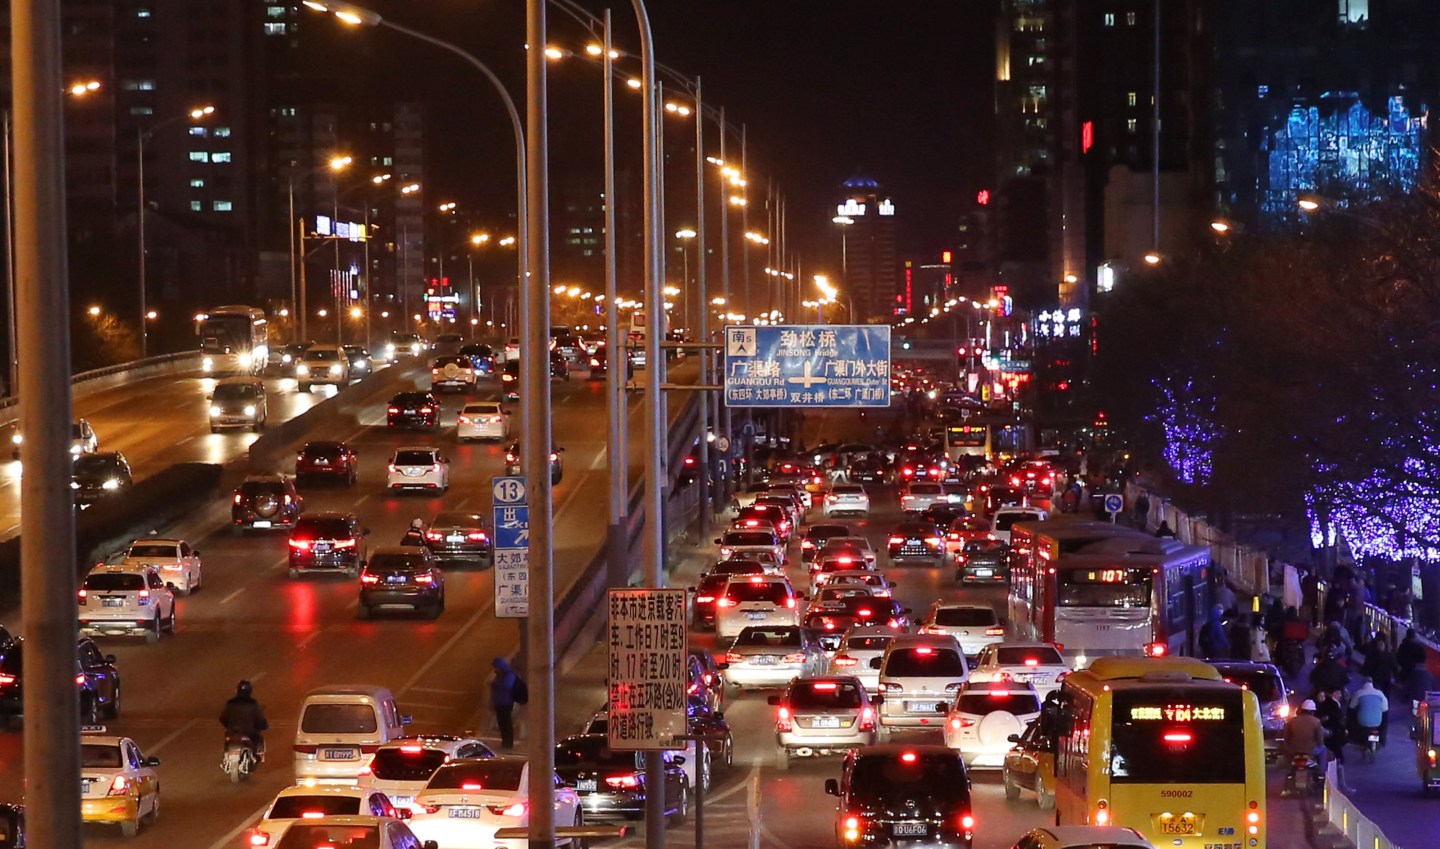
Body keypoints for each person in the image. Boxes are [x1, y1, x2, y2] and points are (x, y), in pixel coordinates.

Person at [1281, 699, 1328, 790]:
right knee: (1323, 749)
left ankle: (1288, 772)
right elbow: (1320, 741)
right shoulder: (1316, 721)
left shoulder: (1291, 721)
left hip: (1293, 750)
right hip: (1311, 751)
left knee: (1288, 763)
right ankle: (1321, 773)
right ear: (1312, 711)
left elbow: (1286, 738)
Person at [220, 679, 269, 762]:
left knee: (227, 738)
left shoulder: (230, 703)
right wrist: (264, 725)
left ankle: (226, 757)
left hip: (232, 732)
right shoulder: (253, 703)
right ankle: (259, 757)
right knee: (259, 738)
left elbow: (223, 718)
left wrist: (229, 726)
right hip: (249, 732)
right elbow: (260, 719)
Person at [1349, 676, 1390, 747]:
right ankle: (1382, 739)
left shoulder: (1358, 693)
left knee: (1352, 715)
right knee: (1385, 716)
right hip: (1377, 723)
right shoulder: (1380, 694)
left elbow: (1351, 707)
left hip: (1362, 722)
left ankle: (1353, 738)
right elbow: (1385, 709)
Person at [490, 656, 519, 750]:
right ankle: (505, 742)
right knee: (502, 723)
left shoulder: (508, 674)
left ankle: (508, 743)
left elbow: (507, 685)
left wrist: (495, 685)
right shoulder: (501, 674)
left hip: (505, 703)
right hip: (500, 703)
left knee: (506, 723)